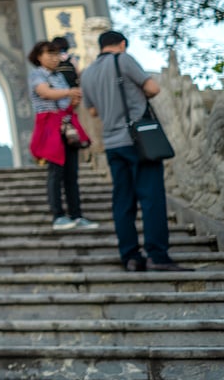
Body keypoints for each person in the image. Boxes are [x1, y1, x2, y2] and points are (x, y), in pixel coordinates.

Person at [79, 31, 190, 272]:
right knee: (151, 198)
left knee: (123, 201)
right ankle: (157, 255)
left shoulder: (87, 74)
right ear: (122, 44)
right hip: (138, 141)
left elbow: (93, 112)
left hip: (112, 143)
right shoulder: (123, 59)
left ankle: (130, 256)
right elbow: (153, 88)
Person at [27, 40, 99, 233]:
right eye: (48, 54)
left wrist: (74, 99)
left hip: (66, 126)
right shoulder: (37, 75)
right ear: (38, 57)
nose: (53, 58)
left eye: (56, 54)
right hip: (50, 127)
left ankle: (76, 214)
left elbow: (66, 102)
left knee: (71, 174)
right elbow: (45, 92)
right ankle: (58, 215)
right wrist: (69, 91)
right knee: (55, 173)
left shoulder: (59, 76)